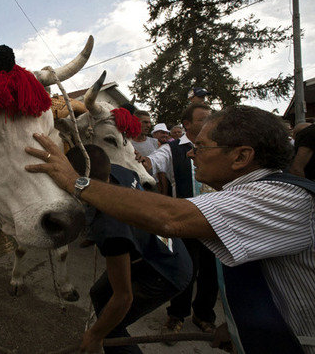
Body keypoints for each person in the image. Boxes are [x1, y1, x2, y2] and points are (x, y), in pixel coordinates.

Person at [26, 105, 315, 354]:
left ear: (241, 157)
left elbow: (170, 217)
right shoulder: (259, 193)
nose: (190, 155)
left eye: (201, 147)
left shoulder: (283, 198)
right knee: (102, 294)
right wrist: (240, 326)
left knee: (111, 316)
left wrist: (75, 182)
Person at [70, 145, 192, 354]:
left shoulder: (109, 227)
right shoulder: (120, 171)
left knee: (110, 330)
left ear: (79, 180)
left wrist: (95, 335)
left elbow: (123, 297)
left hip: (166, 272)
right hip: (159, 249)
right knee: (99, 294)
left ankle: (111, 340)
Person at [139, 103, 218, 338]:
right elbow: (153, 163)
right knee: (186, 270)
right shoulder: (172, 149)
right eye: (203, 119)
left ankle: (204, 315)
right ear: (187, 125)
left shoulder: (218, 146)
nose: (209, 122)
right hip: (186, 222)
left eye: (211, 118)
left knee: (212, 272)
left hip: (216, 221)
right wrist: (143, 162)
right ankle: (177, 315)